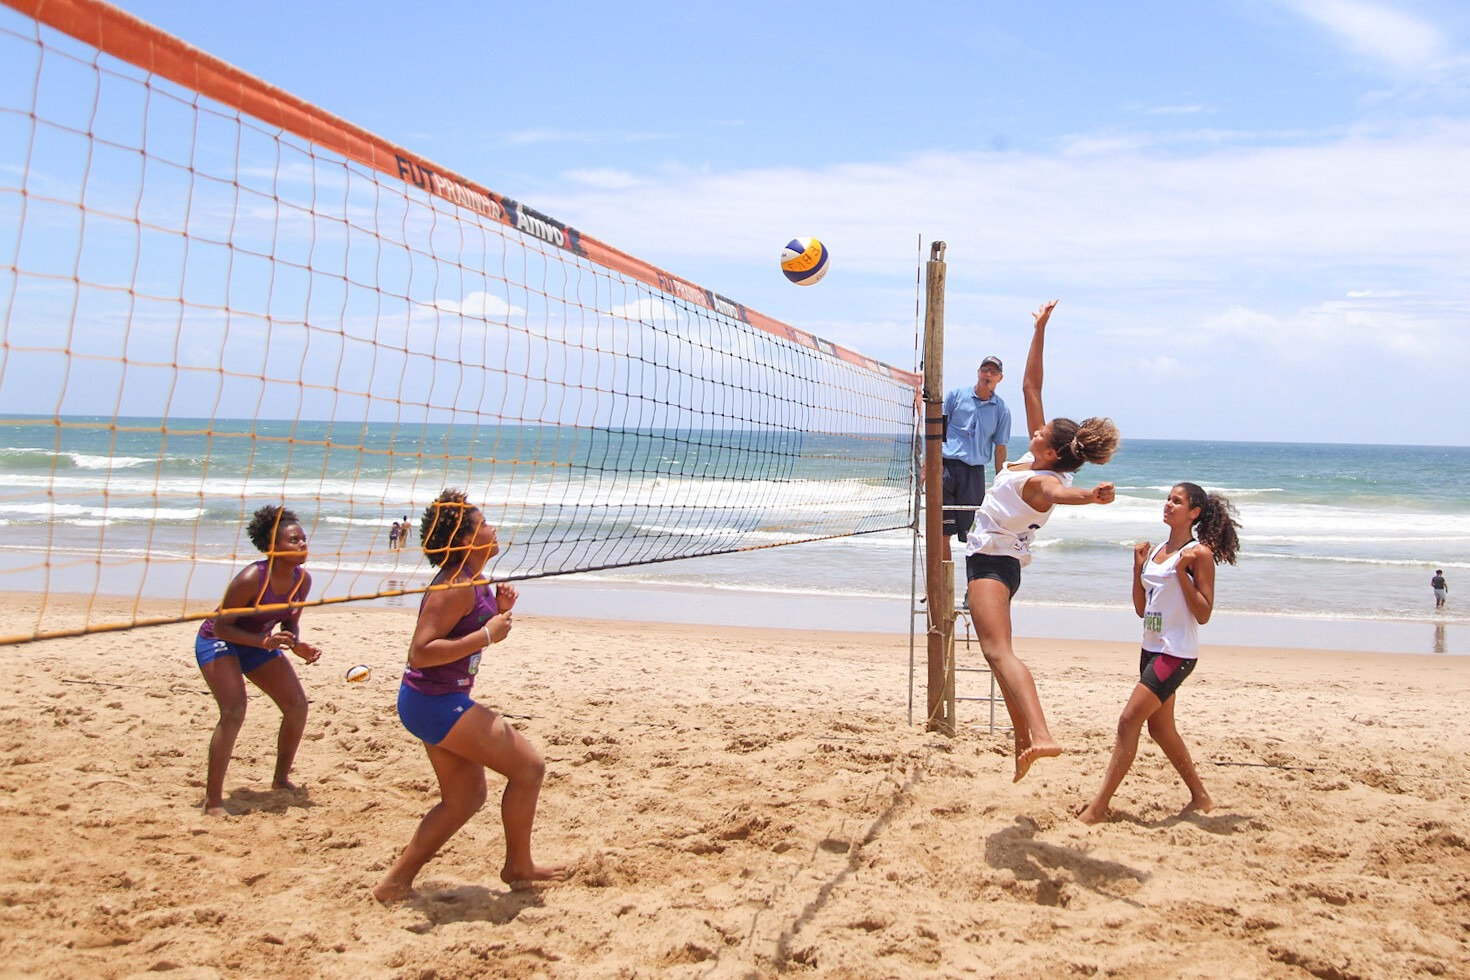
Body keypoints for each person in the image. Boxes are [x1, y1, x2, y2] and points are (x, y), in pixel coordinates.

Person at [374, 489, 566, 902]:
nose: (494, 528)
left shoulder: (474, 581)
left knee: (464, 799)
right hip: (435, 702)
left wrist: (494, 612)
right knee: (529, 768)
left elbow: (463, 628)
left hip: (430, 701)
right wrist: (486, 634)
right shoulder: (455, 585)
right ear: (464, 540)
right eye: (484, 524)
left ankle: (395, 882)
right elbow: (421, 652)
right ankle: (518, 865)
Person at [964, 300, 1119, 782]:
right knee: (996, 654)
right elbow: (1032, 384)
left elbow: (1059, 492)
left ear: (1050, 449)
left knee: (999, 653)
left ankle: (1042, 734)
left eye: (1041, 431)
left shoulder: (1043, 480)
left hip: (993, 565)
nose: (1035, 426)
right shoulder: (1038, 459)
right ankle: (1022, 744)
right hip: (996, 561)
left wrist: (1089, 496)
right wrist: (1040, 329)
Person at [1078, 483, 1242, 825]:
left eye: (1177, 501)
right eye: (1168, 499)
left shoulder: (1199, 554)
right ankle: (1200, 796)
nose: (1168, 505)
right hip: (1150, 648)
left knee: (1127, 722)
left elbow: (1204, 613)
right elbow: (1141, 608)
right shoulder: (1155, 552)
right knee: (1161, 729)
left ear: (1194, 513)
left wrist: (1183, 573)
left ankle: (1099, 807)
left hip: (1176, 653)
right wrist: (1137, 568)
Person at [194, 505, 321, 816]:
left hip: (257, 643)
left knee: (297, 706)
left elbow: (289, 621)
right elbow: (223, 626)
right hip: (220, 640)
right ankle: (213, 801)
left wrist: (295, 642)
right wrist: (265, 641)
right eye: (294, 540)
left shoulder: (302, 581)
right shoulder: (252, 578)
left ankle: (280, 779)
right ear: (272, 548)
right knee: (235, 710)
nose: (302, 544)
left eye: (304, 538)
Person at [941, 353, 1010, 562]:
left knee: (975, 533)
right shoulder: (955, 396)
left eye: (993, 371)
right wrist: (928, 466)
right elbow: (938, 433)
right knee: (942, 531)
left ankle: (973, 588)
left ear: (1000, 378)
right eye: (984, 370)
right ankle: (941, 587)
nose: (988, 374)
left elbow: (1000, 449)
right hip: (946, 468)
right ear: (978, 372)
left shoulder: (1002, 410)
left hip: (974, 474)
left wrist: (1002, 483)